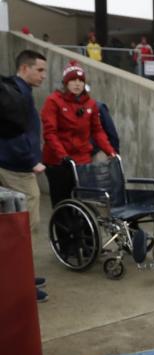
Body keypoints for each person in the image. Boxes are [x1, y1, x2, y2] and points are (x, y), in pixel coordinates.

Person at [0, 50, 48, 302]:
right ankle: (20, 285)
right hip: (18, 169)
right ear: (24, 69)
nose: (43, 75)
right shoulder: (18, 95)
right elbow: (16, 134)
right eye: (39, 70)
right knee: (24, 228)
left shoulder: (14, 92)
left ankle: (23, 277)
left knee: (20, 227)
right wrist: (32, 161)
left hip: (13, 166)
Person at [40, 62, 116, 206]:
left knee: (85, 200)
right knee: (63, 201)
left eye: (81, 81)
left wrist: (109, 151)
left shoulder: (90, 104)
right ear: (66, 82)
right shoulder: (53, 101)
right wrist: (63, 155)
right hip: (58, 161)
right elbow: (50, 133)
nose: (77, 84)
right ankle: (63, 226)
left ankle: (82, 227)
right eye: (73, 80)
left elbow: (97, 130)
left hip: (82, 160)